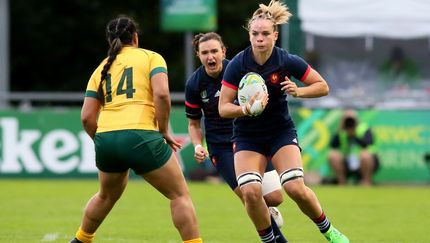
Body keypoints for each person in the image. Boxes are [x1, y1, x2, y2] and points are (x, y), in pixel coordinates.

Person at [218, 1, 349, 243]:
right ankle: (271, 241)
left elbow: (322, 86)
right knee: (250, 192)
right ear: (249, 35)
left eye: (265, 34)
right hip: (248, 136)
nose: (260, 38)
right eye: (255, 34)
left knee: (295, 188)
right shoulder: (238, 64)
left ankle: (329, 231)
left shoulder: (286, 60)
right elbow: (223, 108)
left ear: (275, 36)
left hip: (280, 132)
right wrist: (245, 109)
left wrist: (299, 92)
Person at [70, 15, 202, 243]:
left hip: (106, 139)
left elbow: (86, 117)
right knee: (179, 195)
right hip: (142, 135)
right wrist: (162, 131)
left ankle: (81, 239)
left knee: (105, 196)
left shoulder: (101, 69)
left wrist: (103, 140)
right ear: (135, 37)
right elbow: (161, 94)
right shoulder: (152, 57)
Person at [185, 32, 288, 243]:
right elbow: (194, 123)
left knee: (275, 197)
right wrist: (197, 145)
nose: (210, 57)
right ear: (198, 55)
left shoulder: (239, 71)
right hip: (221, 147)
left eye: (214, 51)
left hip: (249, 139)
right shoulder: (194, 84)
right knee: (248, 194)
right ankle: (277, 240)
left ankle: (266, 212)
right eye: (205, 53)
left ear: (223, 51)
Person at [327, 109, 379, 186]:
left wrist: (354, 135)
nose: (349, 122)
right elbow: (332, 145)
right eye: (347, 120)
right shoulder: (342, 131)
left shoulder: (364, 128)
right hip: (347, 162)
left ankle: (366, 182)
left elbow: (368, 143)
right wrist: (340, 128)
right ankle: (341, 181)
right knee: (333, 155)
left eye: (351, 119)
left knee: (365, 155)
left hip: (364, 163)